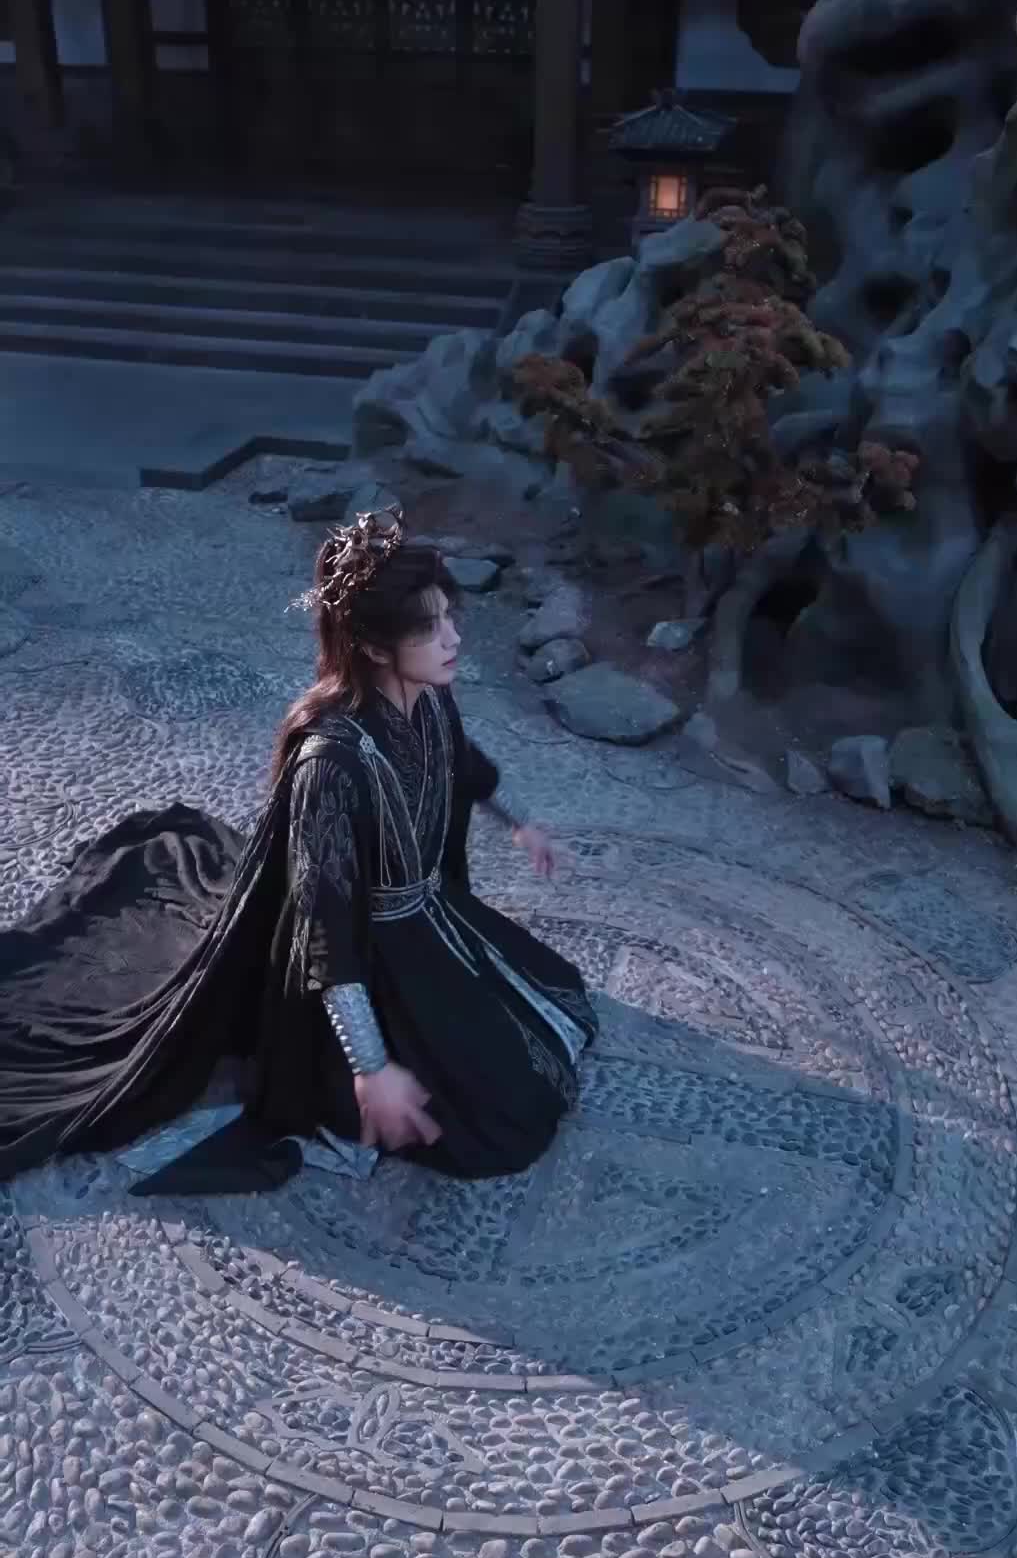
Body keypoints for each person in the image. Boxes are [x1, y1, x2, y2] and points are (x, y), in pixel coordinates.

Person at [0, 509, 597, 1190]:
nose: (454, 639)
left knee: (541, 1037)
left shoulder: (428, 697)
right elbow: (326, 927)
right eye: (429, 627)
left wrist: (519, 822)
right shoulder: (331, 765)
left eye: (450, 618)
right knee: (493, 1126)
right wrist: (371, 1070)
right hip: (364, 958)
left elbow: (461, 762)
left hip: (431, 921)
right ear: (375, 647)